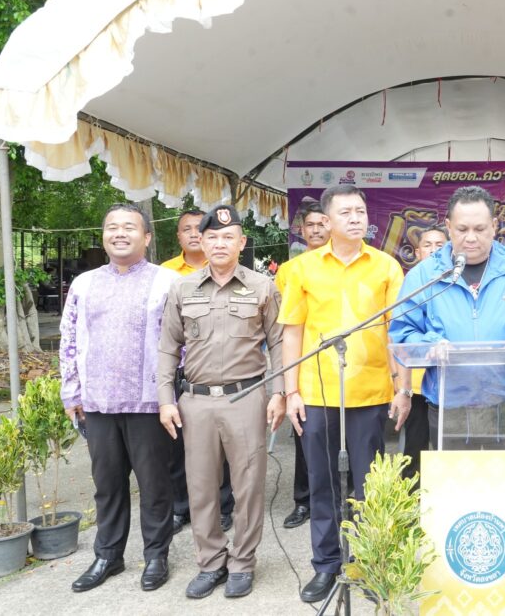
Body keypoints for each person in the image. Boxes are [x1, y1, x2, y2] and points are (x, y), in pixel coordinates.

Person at [279, 185, 412, 604]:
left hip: (369, 393)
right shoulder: (302, 268)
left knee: (369, 486)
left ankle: (368, 562)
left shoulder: (386, 266)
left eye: (360, 211)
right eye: (346, 212)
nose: (355, 218)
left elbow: (398, 332)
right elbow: (292, 332)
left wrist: (403, 387)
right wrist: (290, 391)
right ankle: (326, 564)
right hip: (317, 393)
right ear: (327, 221)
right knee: (323, 483)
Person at [157, 205, 285, 599]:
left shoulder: (263, 287)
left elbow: (279, 343)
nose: (219, 243)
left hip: (246, 397)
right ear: (201, 240)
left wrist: (280, 392)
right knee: (201, 488)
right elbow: (167, 347)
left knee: (248, 486)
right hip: (196, 401)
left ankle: (243, 562)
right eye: (211, 236)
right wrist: (165, 400)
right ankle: (211, 562)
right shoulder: (182, 289)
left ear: (242, 243)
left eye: (228, 237)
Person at [59, 203, 178, 593]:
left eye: (129, 227)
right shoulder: (84, 284)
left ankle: (156, 555)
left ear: (146, 237)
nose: (120, 233)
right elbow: (69, 340)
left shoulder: (168, 282)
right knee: (107, 484)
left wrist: (172, 395)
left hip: (150, 403)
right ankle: (108, 555)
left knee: (154, 484)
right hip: (98, 403)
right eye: (113, 227)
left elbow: (181, 342)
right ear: (104, 236)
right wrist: (71, 392)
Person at [390, 186, 505, 450]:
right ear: (448, 227)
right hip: (449, 406)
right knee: (456, 478)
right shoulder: (425, 276)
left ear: (494, 226)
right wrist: (429, 344)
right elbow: (403, 333)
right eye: (462, 229)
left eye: (479, 229)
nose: (471, 238)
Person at [161, 208, 235, 535]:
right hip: (181, 374)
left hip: (222, 375)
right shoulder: (165, 274)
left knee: (224, 447)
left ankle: (223, 505)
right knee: (179, 446)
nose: (193, 234)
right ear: (179, 236)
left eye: (198, 229)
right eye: (187, 229)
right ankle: (182, 506)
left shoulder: (228, 269)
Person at [274, 200, 330, 529]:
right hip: (305, 367)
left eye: (323, 223)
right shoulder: (289, 270)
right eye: (311, 224)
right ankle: (304, 500)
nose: (317, 229)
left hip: (342, 366)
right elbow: (284, 326)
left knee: (345, 441)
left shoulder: (345, 266)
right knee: (304, 437)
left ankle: (346, 498)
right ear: (302, 230)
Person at [399, 224, 448, 481]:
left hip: (446, 383)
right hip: (417, 384)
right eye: (427, 245)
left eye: (440, 245)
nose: (434, 250)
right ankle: (411, 495)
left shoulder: (454, 280)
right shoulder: (411, 283)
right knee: (415, 445)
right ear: (417, 253)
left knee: (446, 448)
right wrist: (403, 387)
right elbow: (400, 336)